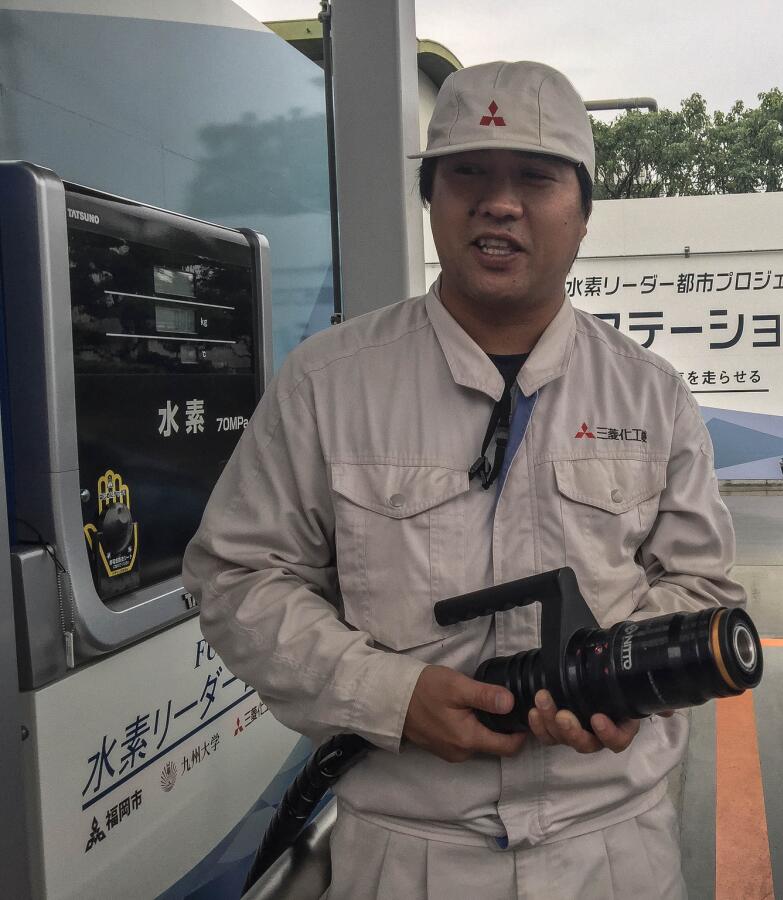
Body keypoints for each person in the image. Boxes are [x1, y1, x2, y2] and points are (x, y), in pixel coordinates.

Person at [183, 59, 744, 899]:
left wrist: (624, 676)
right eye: (468, 174)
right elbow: (236, 575)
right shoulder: (329, 383)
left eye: (536, 177)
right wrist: (388, 694)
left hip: (612, 850)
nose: (500, 202)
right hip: (407, 853)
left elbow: (699, 581)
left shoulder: (650, 394)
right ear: (432, 200)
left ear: (583, 212)